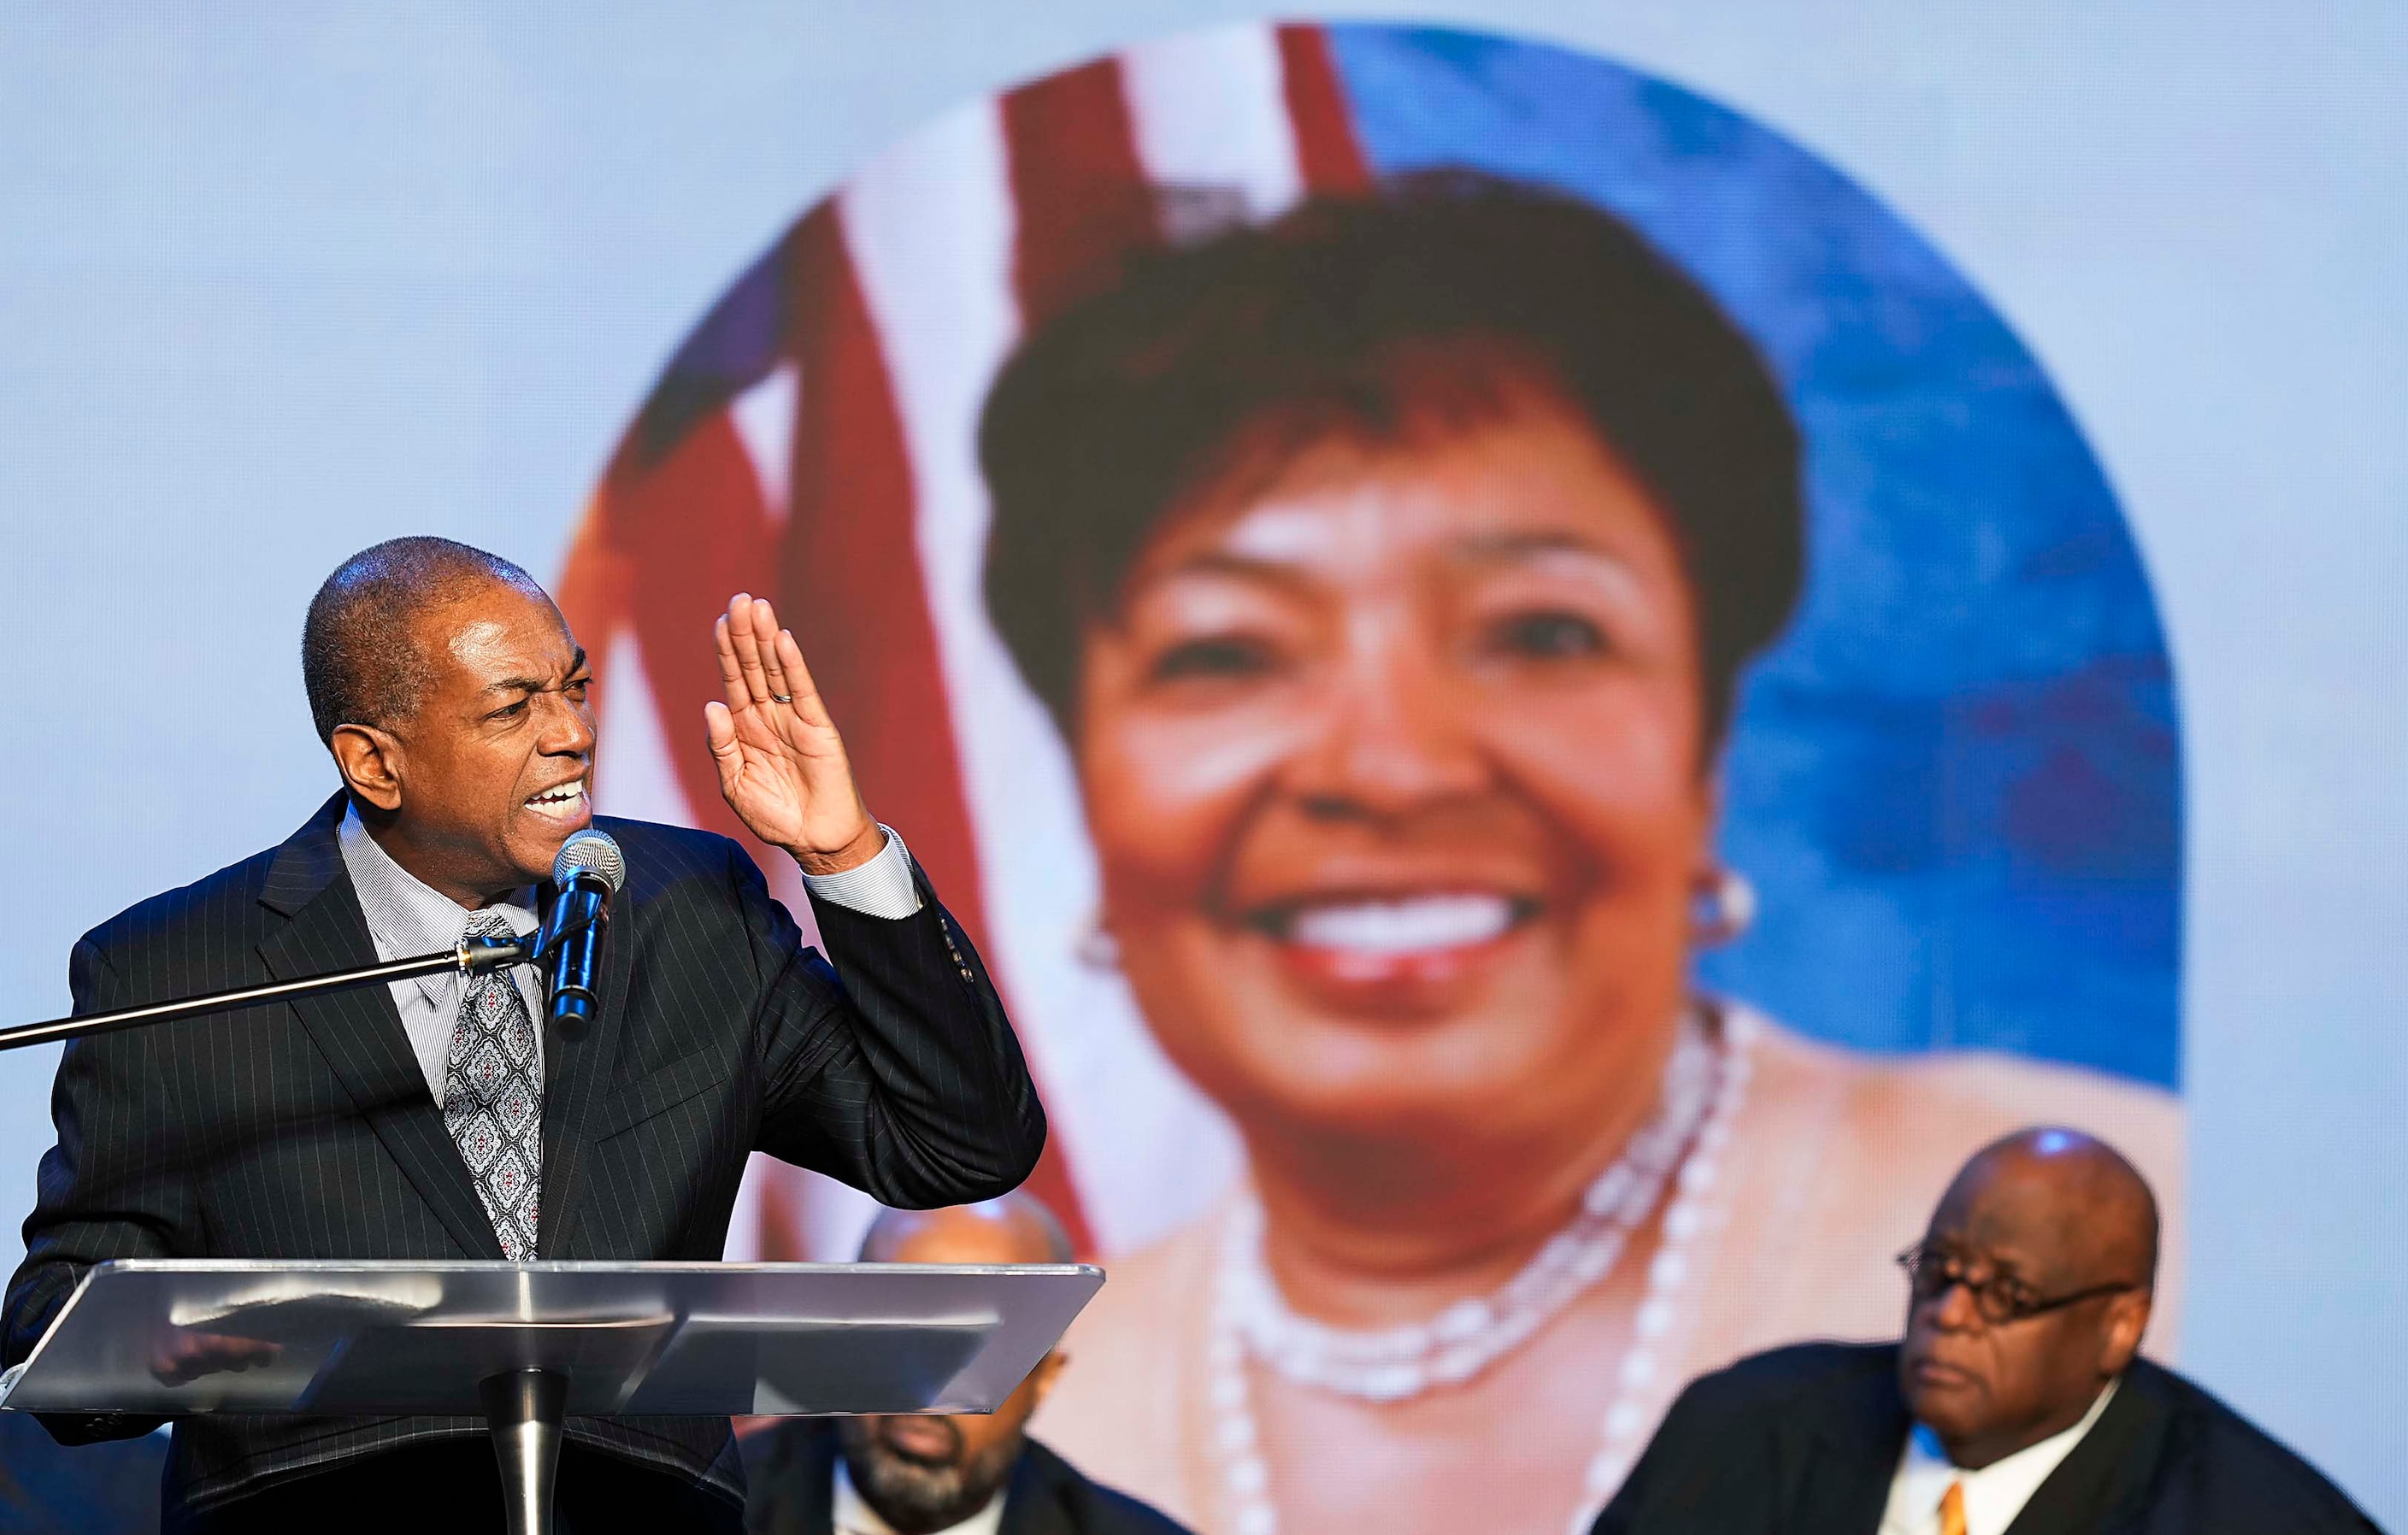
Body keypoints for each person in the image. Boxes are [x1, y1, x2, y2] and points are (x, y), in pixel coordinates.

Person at [973, 176, 2186, 1535]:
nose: (1389, 765)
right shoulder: (973, 1431)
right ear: (1086, 774)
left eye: (1541, 633)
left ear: (1705, 745)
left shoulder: (2145, 1255)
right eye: (1227, 651)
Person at [2, 538, 1048, 1533]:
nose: (573, 734)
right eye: (515, 706)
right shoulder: (176, 967)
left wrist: (843, 853)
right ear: (375, 763)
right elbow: (62, 1318)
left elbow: (957, 1144)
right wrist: (212, 1337)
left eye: (574, 687)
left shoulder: (689, 910)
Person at [1593, 1127, 2376, 1533]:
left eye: (2006, 1293)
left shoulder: (2257, 1519)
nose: (1951, 1315)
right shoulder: (1742, 1430)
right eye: (1938, 1269)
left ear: (2118, 1327)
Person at [743, 1196, 1191, 1535]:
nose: (926, 1388)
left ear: (1043, 1378)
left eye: (977, 1351)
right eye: (899, 1334)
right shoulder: (696, 1509)